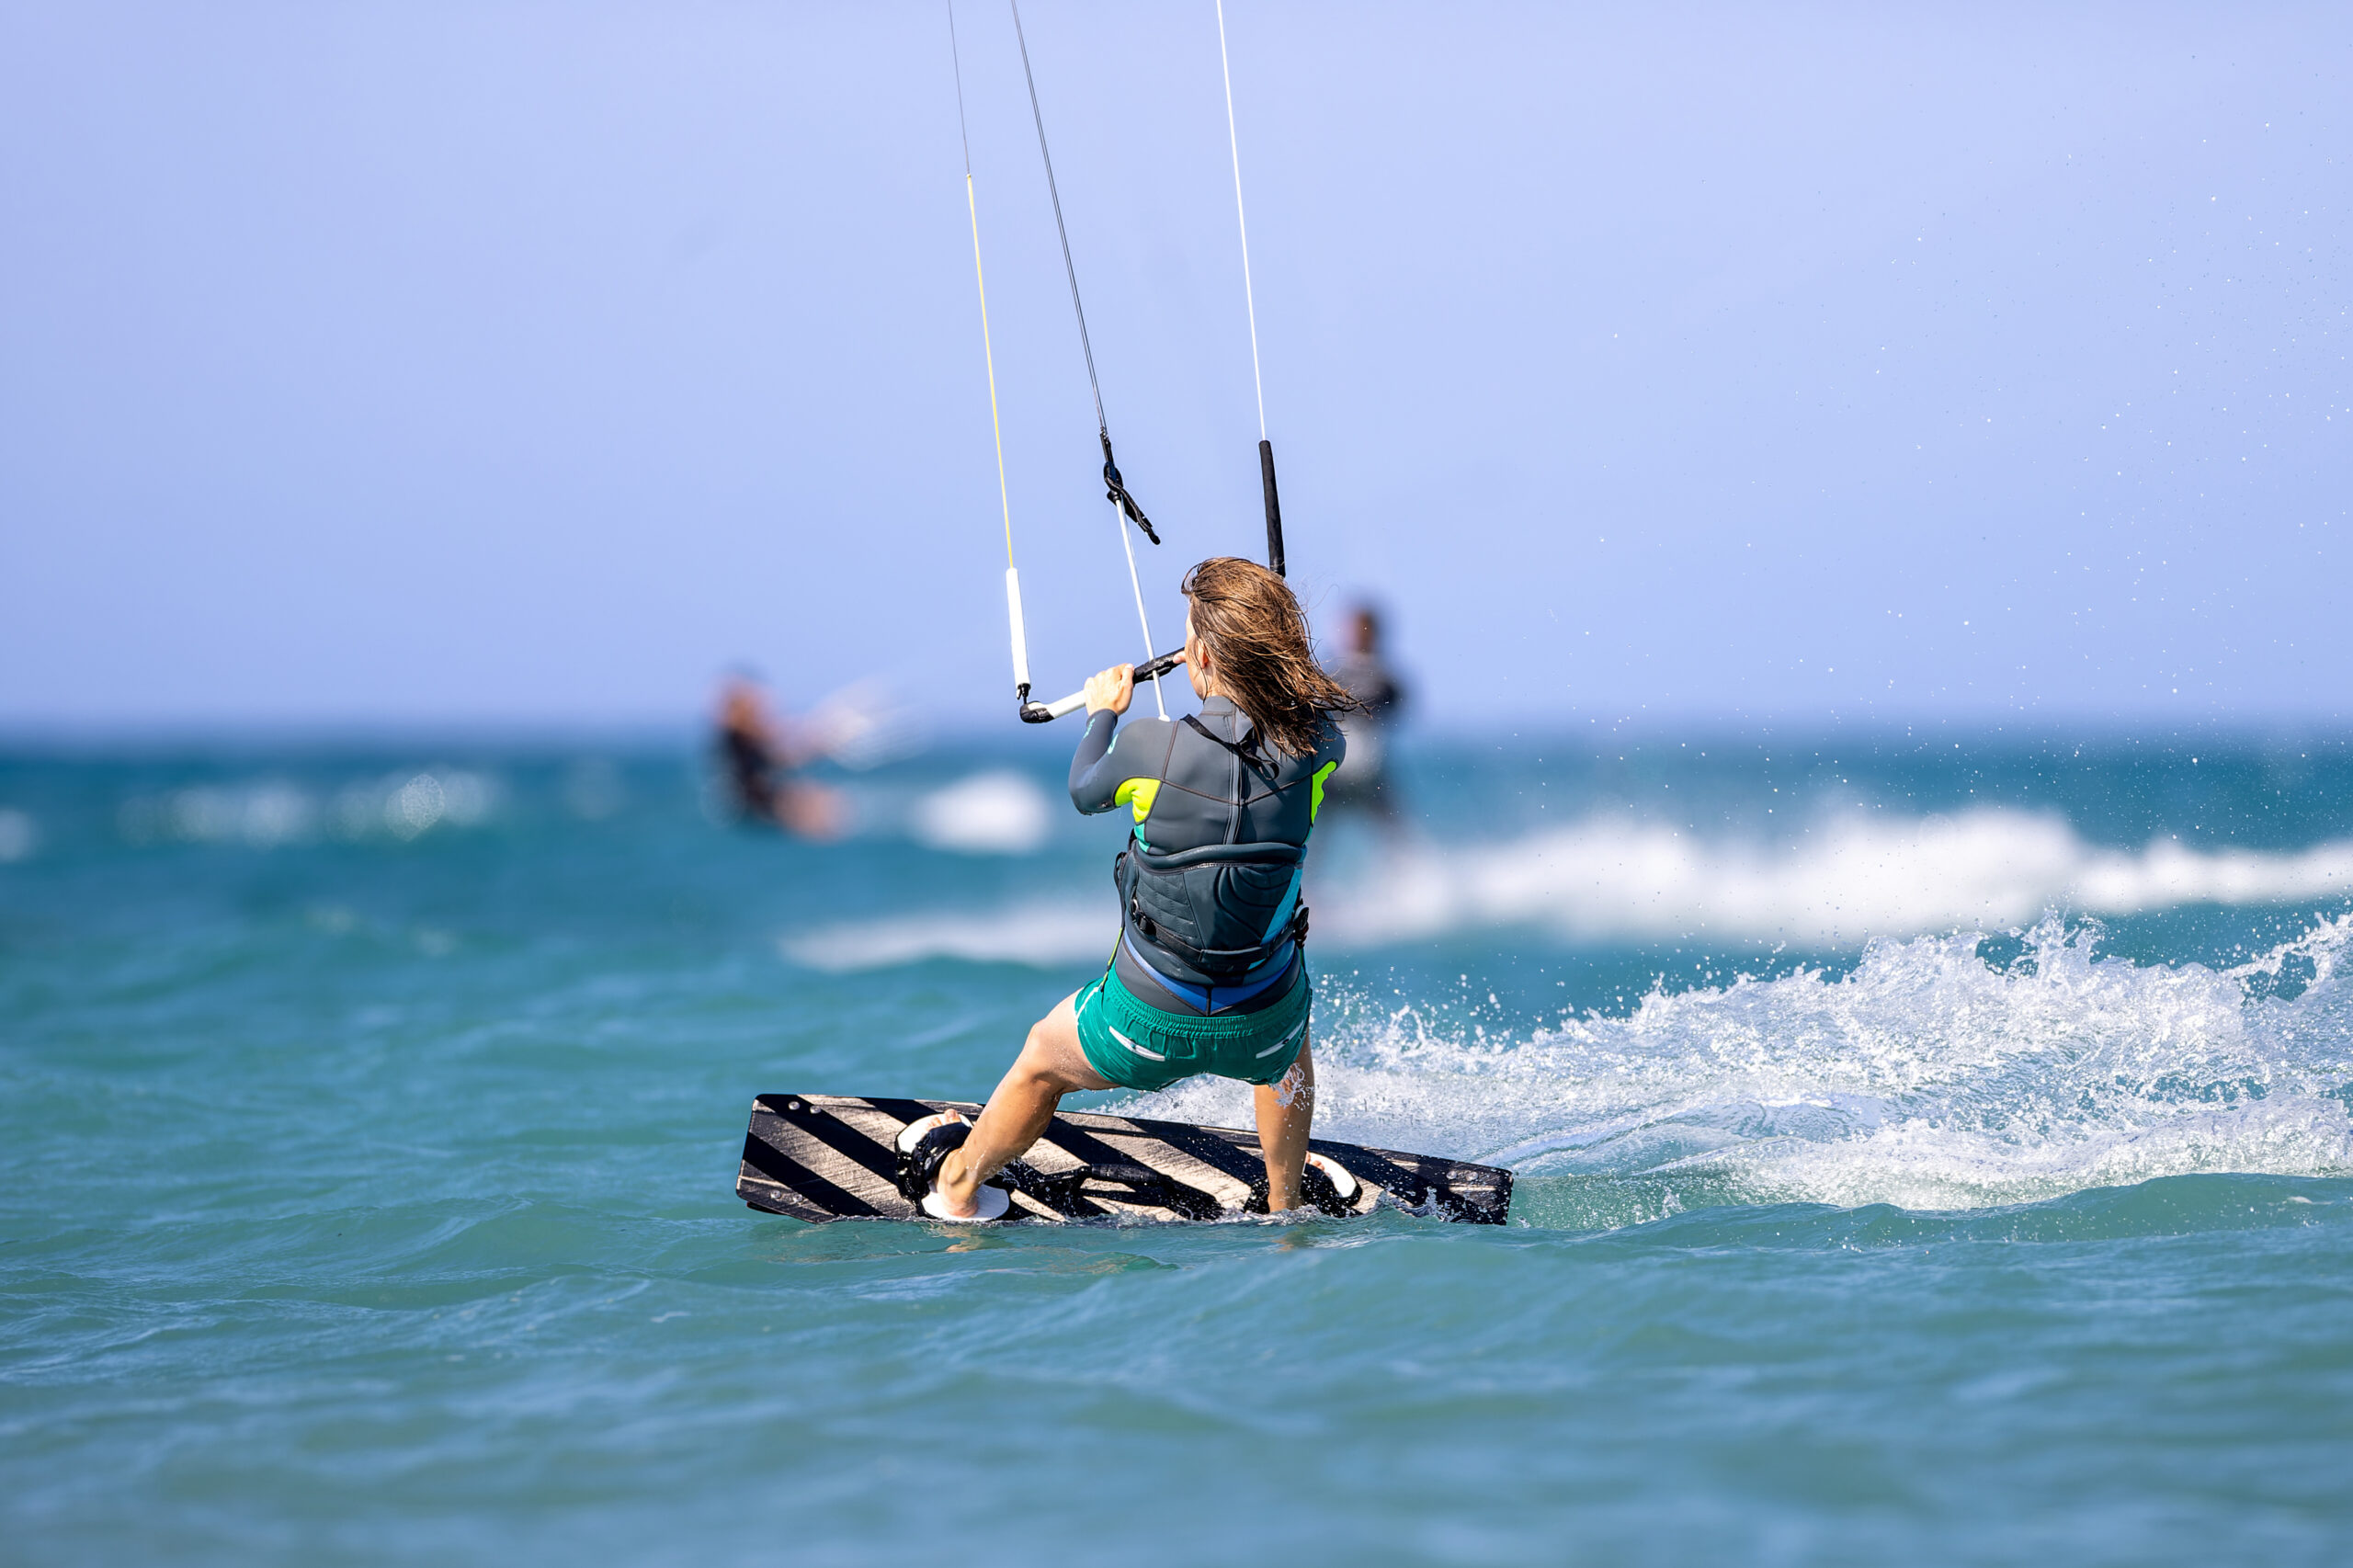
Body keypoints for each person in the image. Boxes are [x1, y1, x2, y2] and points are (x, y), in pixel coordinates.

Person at [901, 557, 1359, 1219]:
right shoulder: (1318, 746)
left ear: (1198, 654)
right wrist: (1284, 678)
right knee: (1289, 1043)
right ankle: (1284, 1203)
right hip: (1260, 1028)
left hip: (1144, 1026)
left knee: (1039, 1058)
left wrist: (1103, 714)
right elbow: (1313, 726)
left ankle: (958, 1188)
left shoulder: (1149, 746)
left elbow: (1085, 791)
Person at [713, 674, 843, 838]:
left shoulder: (737, 737)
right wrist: (813, 748)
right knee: (819, 807)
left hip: (756, 799)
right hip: (758, 801)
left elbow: (775, 741)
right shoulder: (740, 739)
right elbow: (776, 757)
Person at [1323, 603, 1408, 829]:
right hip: (1336, 769)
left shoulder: (1385, 677)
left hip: (1369, 771)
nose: (1357, 635)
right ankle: (1304, 865)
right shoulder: (1332, 673)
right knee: (1317, 832)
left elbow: (1397, 708)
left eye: (1362, 629)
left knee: (1394, 830)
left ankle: (1413, 865)